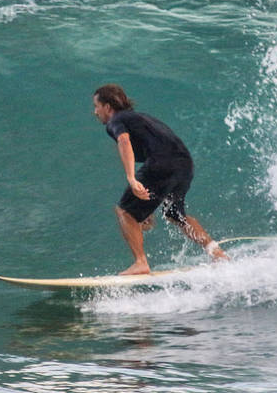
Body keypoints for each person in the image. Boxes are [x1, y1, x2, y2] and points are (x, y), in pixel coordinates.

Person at [92, 84, 229, 275]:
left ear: (108, 107)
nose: (95, 112)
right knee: (175, 214)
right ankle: (218, 253)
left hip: (162, 163)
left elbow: (124, 141)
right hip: (184, 164)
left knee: (125, 211)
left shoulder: (116, 120)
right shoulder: (142, 118)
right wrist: (146, 204)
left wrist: (132, 178)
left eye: (96, 106)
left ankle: (141, 263)